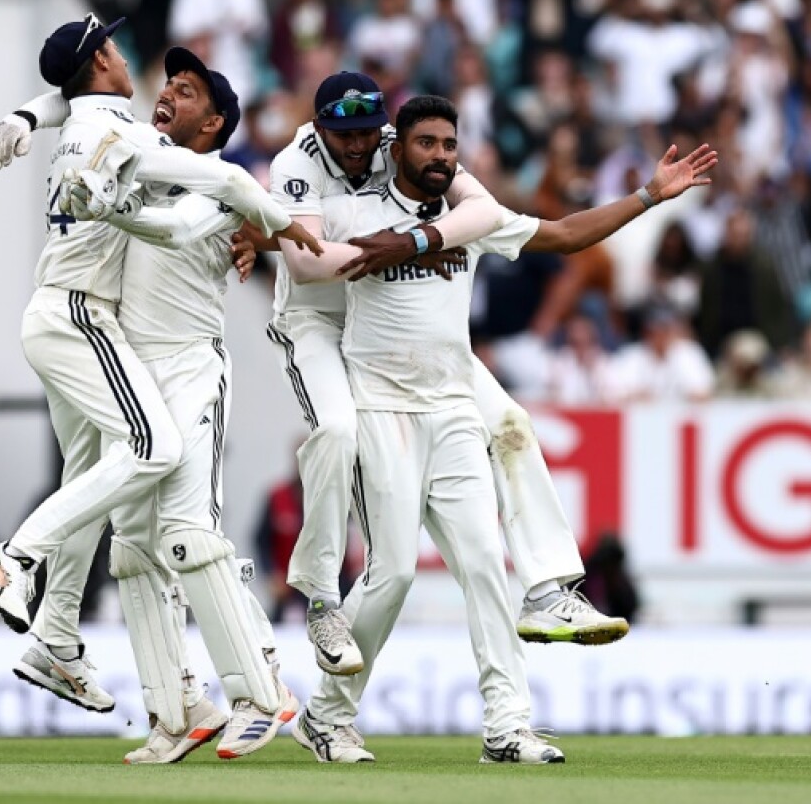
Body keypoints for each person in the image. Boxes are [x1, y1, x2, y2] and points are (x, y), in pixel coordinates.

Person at [285, 95, 714, 765]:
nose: (440, 156)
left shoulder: (470, 218)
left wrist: (647, 196)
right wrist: (245, 237)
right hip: (381, 408)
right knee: (392, 575)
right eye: (426, 143)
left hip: (455, 407)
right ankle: (327, 715)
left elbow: (566, 234)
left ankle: (508, 727)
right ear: (396, 148)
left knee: (485, 565)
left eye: (449, 145)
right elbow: (291, 236)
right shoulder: (354, 210)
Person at [0, 14, 318, 743]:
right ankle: (16, 559)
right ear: (101, 60)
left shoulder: (121, 137)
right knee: (146, 474)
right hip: (87, 325)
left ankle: (65, 641)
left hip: (161, 355)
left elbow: (195, 203)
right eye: (159, 76)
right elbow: (205, 176)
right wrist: (281, 222)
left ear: (216, 117)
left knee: (122, 504)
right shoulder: (134, 142)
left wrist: (29, 114)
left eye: (186, 90)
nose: (160, 87)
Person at [265, 71, 630, 677]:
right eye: (342, 134)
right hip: (319, 325)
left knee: (512, 421)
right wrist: (269, 234)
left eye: (365, 133)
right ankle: (322, 596)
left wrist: (416, 240)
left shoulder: (405, 152)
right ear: (319, 124)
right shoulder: (300, 163)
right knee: (334, 435)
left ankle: (547, 590)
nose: (357, 148)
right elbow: (304, 266)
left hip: (409, 336)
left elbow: (487, 212)